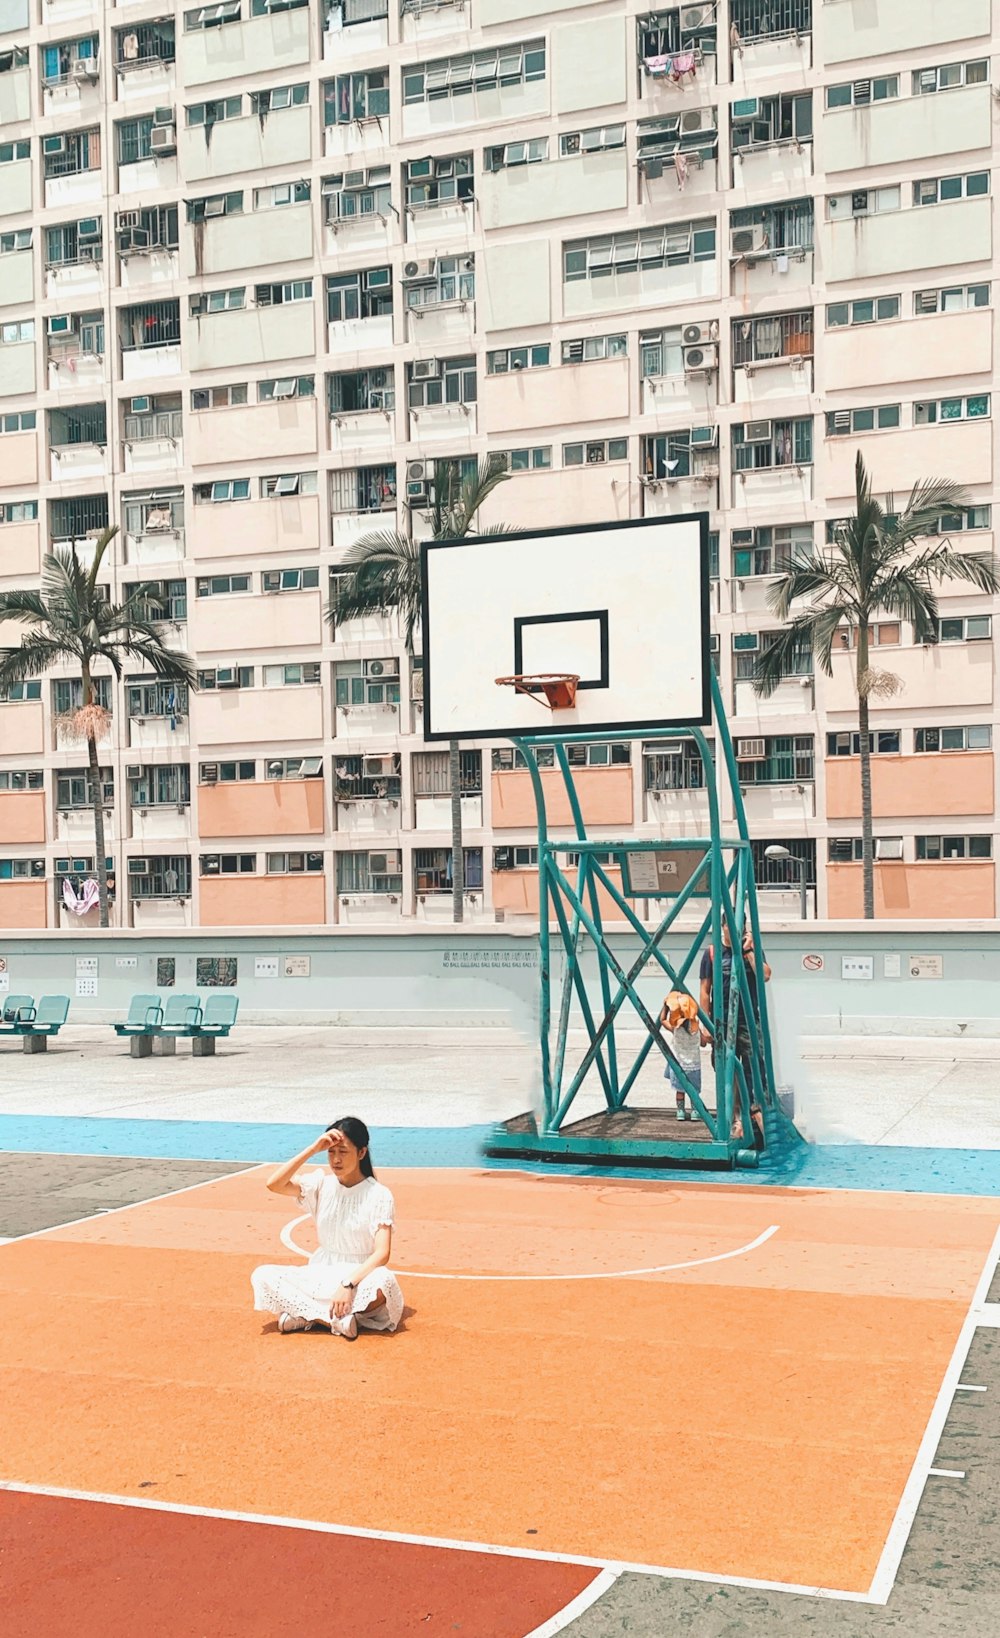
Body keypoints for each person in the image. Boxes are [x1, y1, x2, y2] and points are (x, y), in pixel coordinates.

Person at [250, 1116, 403, 1338]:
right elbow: (274, 1184)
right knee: (262, 1274)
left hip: (360, 1275)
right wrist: (313, 1149)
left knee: (384, 1282)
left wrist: (348, 1285)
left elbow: (382, 1253)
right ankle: (336, 1319)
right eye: (331, 1152)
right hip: (322, 1270)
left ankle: (306, 1316)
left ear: (361, 1153)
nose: (336, 1159)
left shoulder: (379, 1194)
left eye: (343, 1151)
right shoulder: (320, 1185)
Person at [699, 923, 771, 1144]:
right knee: (725, 1073)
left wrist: (749, 951)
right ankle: (733, 1119)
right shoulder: (712, 953)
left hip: (747, 1022)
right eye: (730, 925)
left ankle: (755, 1116)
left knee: (754, 1068)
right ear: (723, 927)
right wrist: (705, 1024)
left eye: (740, 926)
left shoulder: (752, 949)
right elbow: (704, 989)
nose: (735, 929)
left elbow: (765, 975)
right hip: (721, 1024)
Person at [658, 989, 702, 1121]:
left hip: (679, 1065)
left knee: (680, 1091)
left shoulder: (676, 1030)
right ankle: (695, 1111)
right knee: (694, 1091)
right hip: (694, 1065)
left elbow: (662, 1020)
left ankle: (680, 1111)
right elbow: (704, 1042)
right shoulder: (696, 1031)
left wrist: (665, 1006)